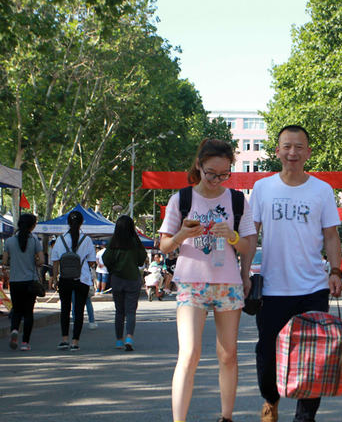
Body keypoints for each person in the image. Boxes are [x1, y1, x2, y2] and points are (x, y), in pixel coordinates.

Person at [241, 125, 342, 422]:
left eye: (299, 147)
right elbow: (251, 234)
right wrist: (243, 274)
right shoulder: (262, 188)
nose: (292, 152)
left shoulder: (322, 190)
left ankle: (304, 417)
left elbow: (331, 236)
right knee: (266, 354)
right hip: (272, 289)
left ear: (308, 152)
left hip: (313, 289)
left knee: (312, 357)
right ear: (277, 151)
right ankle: (270, 400)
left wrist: (336, 271)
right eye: (287, 146)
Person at [159, 138, 257, 422]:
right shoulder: (181, 199)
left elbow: (248, 246)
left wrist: (232, 236)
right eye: (211, 173)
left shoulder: (237, 200)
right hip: (191, 284)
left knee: (228, 354)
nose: (216, 180)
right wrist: (181, 235)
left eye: (224, 174)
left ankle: (226, 417)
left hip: (228, 284)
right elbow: (164, 245)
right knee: (189, 353)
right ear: (199, 166)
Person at [51, 210, 97, 351]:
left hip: (64, 278)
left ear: (68, 222)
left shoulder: (60, 239)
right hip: (82, 279)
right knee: (79, 311)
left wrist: (55, 279)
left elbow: (55, 262)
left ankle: (64, 340)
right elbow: (91, 261)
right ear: (81, 223)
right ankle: (75, 342)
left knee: (65, 309)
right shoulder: (86, 240)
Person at [103, 215, 148, 351]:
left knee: (119, 310)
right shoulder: (135, 242)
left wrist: (113, 269)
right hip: (132, 279)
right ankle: (129, 337)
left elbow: (106, 258)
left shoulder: (113, 242)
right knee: (130, 311)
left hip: (117, 279)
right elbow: (141, 260)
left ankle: (119, 340)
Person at [2, 214, 44, 351]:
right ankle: (25, 342)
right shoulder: (35, 241)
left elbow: (4, 262)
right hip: (30, 281)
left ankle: (14, 330)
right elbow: (42, 260)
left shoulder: (9, 241)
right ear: (32, 226)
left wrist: (14, 262)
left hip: (15, 281)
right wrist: (34, 262)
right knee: (28, 312)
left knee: (16, 309)